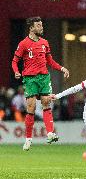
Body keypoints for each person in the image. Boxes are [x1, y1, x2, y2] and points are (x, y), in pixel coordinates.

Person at [12, 16, 69, 151]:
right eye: (38, 25)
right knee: (31, 108)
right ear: (31, 28)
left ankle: (50, 133)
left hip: (44, 77)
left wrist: (62, 68)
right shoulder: (24, 43)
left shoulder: (45, 43)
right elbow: (15, 61)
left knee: (46, 102)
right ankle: (28, 139)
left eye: (41, 25)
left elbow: (50, 61)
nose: (41, 27)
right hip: (30, 79)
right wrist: (16, 71)